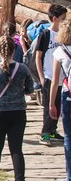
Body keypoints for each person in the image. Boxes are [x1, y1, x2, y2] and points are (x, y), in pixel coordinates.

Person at [0, 35, 35, 181]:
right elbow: (30, 90)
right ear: (15, 49)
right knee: (16, 149)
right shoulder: (23, 68)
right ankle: (20, 179)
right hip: (18, 112)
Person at [36, 3, 68, 146]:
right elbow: (38, 57)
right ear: (55, 19)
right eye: (63, 18)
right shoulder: (46, 34)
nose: (65, 20)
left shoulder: (64, 36)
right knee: (49, 105)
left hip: (62, 77)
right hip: (49, 75)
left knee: (57, 105)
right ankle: (45, 133)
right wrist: (41, 77)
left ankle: (52, 130)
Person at [47, 18, 71, 178]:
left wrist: (51, 104)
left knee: (69, 136)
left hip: (68, 95)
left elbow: (55, 81)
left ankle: (70, 175)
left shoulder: (60, 51)